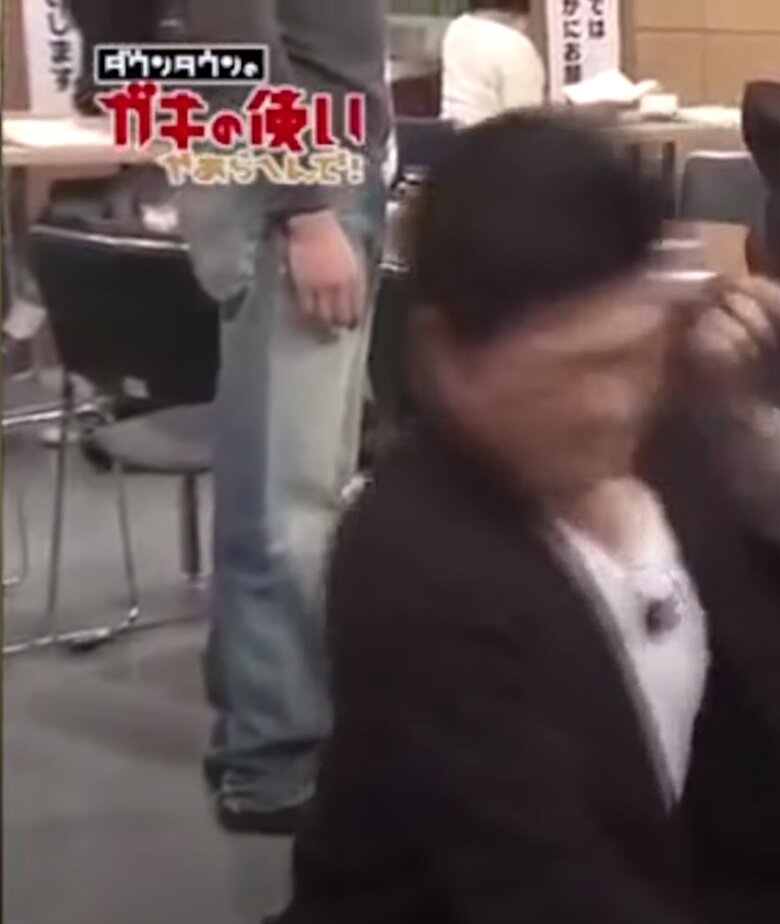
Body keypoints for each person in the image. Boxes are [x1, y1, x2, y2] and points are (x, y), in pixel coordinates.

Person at [276, 109, 780, 924]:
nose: (610, 405)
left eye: (629, 355)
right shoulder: (414, 565)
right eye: (569, 370)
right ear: (445, 358)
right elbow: (548, 887)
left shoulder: (666, 450)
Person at [179, 0, 390, 833]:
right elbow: (231, 33)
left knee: (285, 487)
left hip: (301, 172)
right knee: (286, 502)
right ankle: (275, 763)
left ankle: (259, 734)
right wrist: (304, 210)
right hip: (300, 185)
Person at [440, 0, 546, 127]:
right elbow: (526, 120)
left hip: (448, 134)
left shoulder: (457, 28)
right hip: (493, 136)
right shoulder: (516, 45)